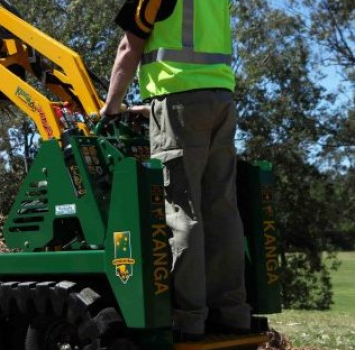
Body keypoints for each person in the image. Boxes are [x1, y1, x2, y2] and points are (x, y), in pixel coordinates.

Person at [100, 0, 251, 341]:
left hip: (179, 104)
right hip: (221, 100)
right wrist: (148, 107)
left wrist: (111, 107)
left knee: (183, 210)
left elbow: (129, 47)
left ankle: (188, 318)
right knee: (222, 210)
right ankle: (232, 313)